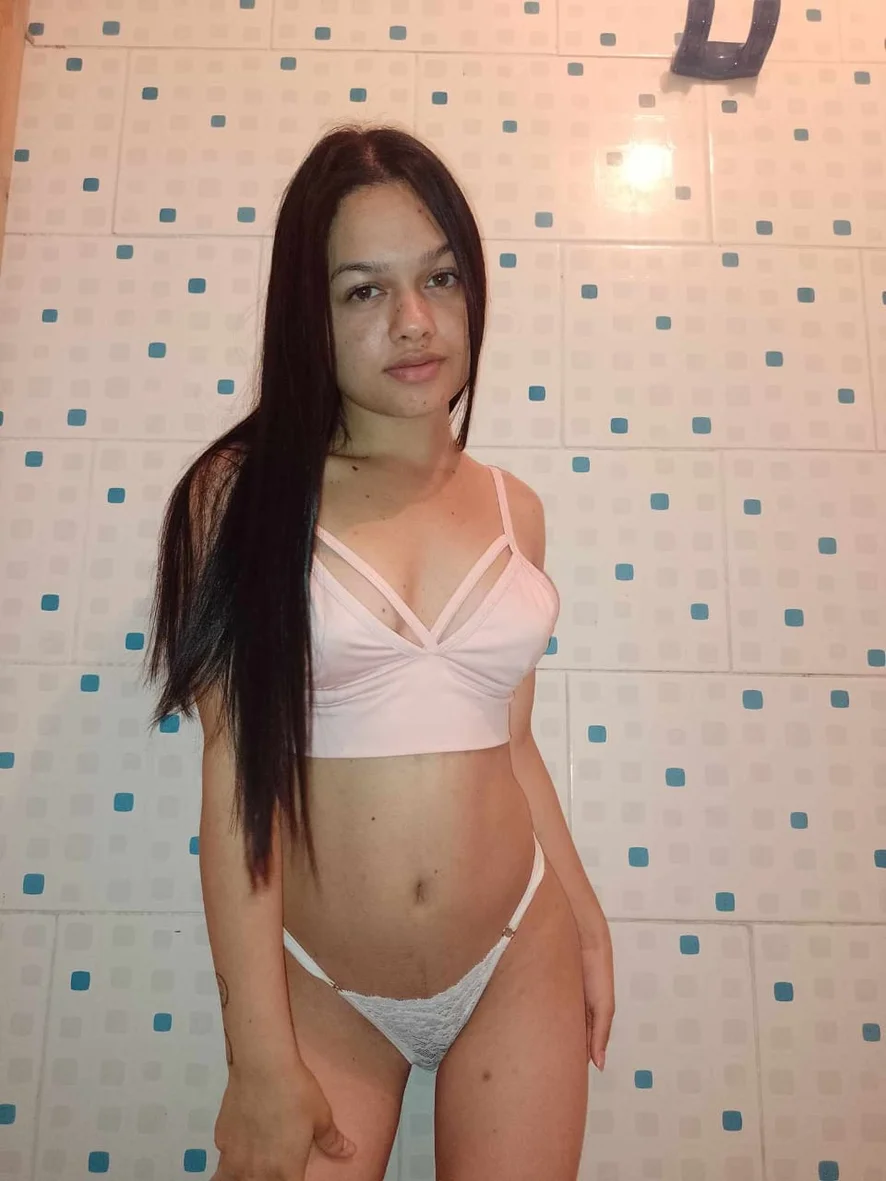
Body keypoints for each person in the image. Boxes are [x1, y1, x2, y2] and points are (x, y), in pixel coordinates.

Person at [143, 123, 614, 1181]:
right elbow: (235, 776)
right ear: (307, 314)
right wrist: (258, 1059)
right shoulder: (241, 495)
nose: (413, 320)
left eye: (439, 277)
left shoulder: (518, 510)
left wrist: (585, 919)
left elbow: (514, 741)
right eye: (364, 290)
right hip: (322, 984)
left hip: (518, 954)